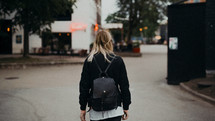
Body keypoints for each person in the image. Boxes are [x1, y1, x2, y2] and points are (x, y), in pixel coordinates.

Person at [79, 30, 131, 121]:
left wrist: (82, 108)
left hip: (96, 110)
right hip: (115, 109)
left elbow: (84, 87)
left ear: (96, 42)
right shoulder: (117, 60)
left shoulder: (89, 60)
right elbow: (124, 85)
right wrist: (126, 106)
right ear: (110, 42)